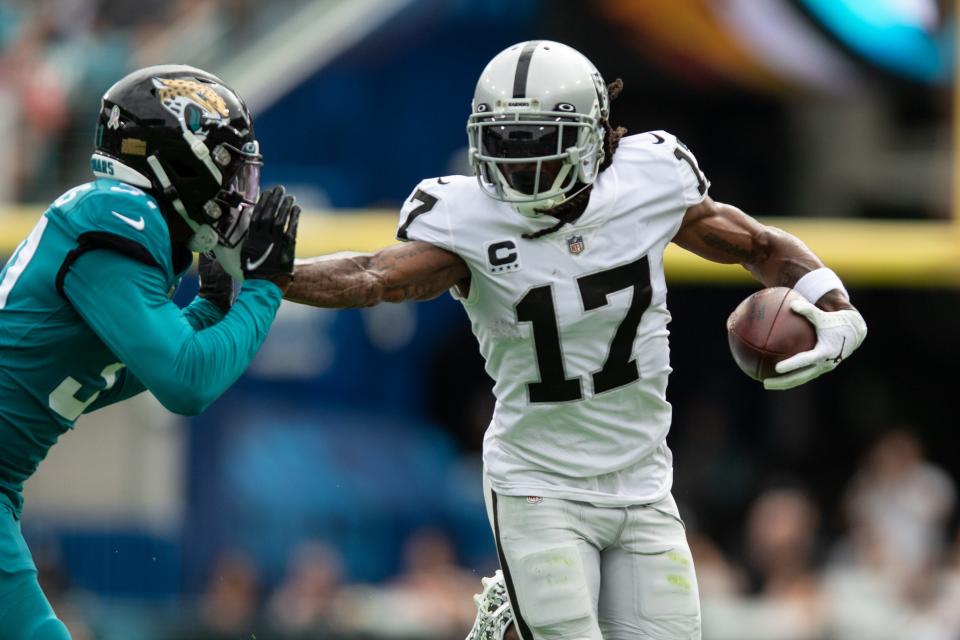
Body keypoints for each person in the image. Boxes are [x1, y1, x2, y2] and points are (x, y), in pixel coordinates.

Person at [285, 40, 867, 640]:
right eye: (503, 142)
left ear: (594, 138)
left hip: (644, 481)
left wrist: (838, 307)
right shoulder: (466, 215)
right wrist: (272, 275)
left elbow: (760, 247)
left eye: (538, 141)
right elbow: (372, 276)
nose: (518, 163)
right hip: (538, 483)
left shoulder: (651, 177)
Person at [0, 64, 299, 639]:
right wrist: (264, 289)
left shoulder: (117, 220)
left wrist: (211, 308)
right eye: (230, 168)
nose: (238, 190)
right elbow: (186, 383)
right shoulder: (120, 216)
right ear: (181, 158)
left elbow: (100, 377)